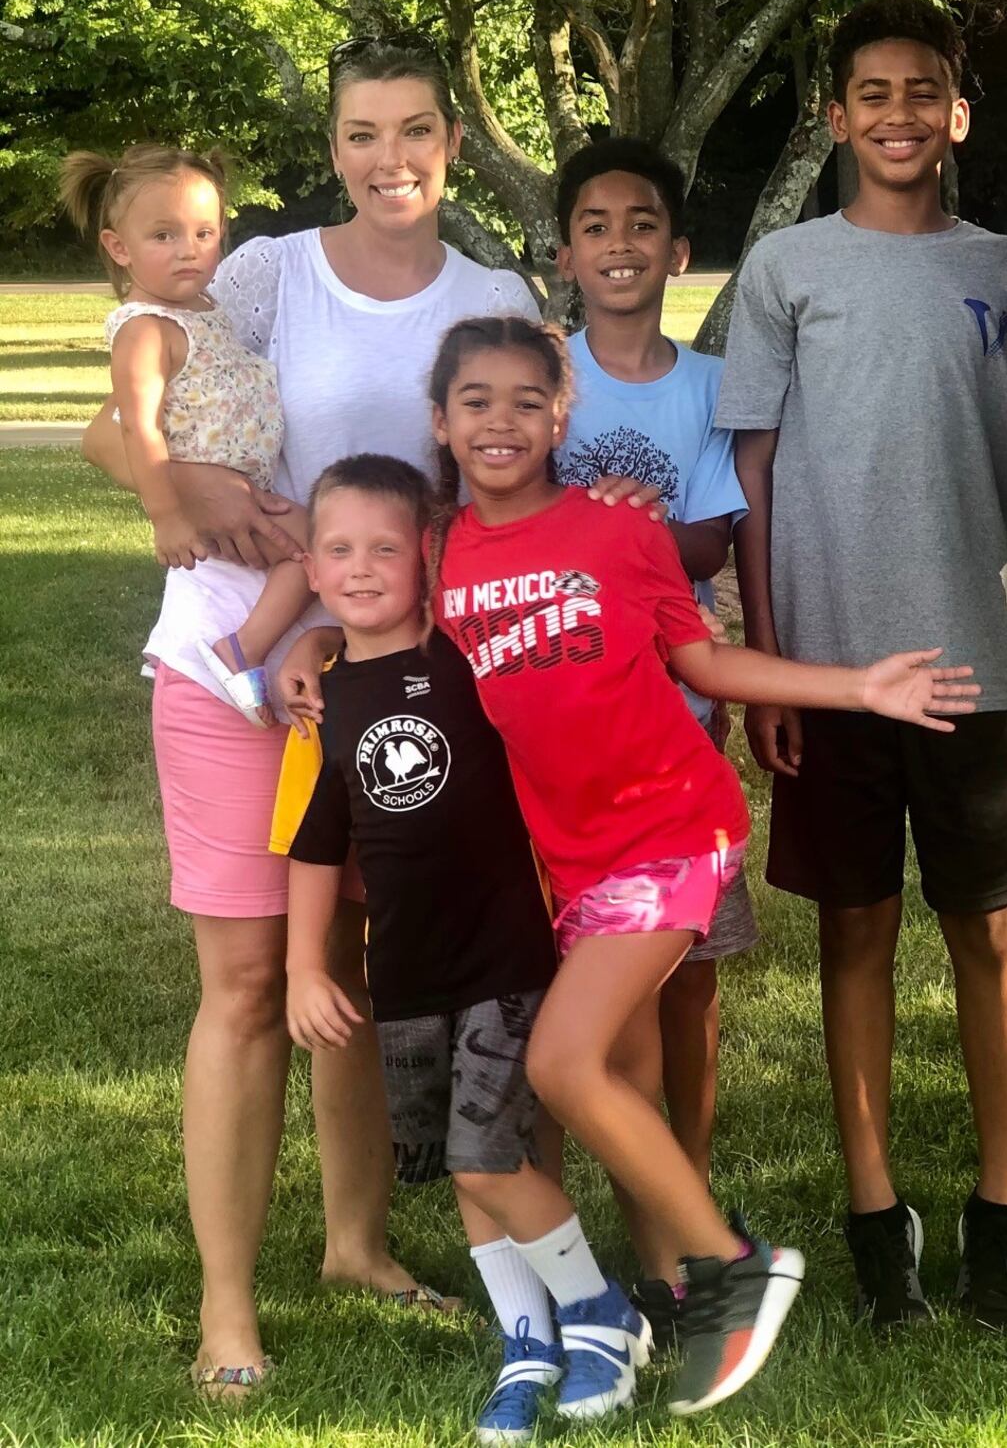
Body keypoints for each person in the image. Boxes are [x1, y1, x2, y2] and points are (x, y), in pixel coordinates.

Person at [78, 41, 542, 1394]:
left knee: (352, 964)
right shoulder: (268, 270)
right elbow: (126, 422)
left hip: (399, 683)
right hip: (237, 660)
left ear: (452, 140)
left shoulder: (492, 293)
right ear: (331, 144)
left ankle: (357, 1245)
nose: (387, 157)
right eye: (359, 132)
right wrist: (197, 498)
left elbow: (497, 487)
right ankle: (229, 1308)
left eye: (412, 130)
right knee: (244, 986)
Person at [419, 311, 979, 1414]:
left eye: (529, 402)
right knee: (620, 1079)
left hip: (672, 827)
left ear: (562, 417)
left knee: (561, 1068)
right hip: (570, 858)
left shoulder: (621, 531)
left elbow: (701, 659)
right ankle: (662, 1299)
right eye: (475, 402)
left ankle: (735, 1263)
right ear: (440, 422)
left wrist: (857, 686)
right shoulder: (447, 553)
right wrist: (313, 651)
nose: (502, 421)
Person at [717, 0, 1007, 1333]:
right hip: (832, 671)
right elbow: (751, 468)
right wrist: (771, 652)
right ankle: (876, 1220)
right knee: (852, 933)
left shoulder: (1006, 270)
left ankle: (999, 1216)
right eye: (875, 91)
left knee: (991, 935)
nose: (901, 111)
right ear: (836, 114)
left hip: (975, 666)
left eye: (926, 90)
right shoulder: (787, 271)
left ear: (958, 113)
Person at [285, 454, 644, 1438]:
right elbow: (318, 842)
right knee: (462, 1162)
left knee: (487, 1158)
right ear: (311, 568)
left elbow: (566, 645)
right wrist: (303, 965)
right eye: (339, 550)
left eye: (385, 549)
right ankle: (526, 1344)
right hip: (406, 977)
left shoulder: (467, 658)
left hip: (504, 959)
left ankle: (596, 1311)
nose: (361, 568)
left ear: (426, 558)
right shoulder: (324, 697)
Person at [552, 137, 757, 1342]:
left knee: (690, 988)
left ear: (677, 251)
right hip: (565, 741)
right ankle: (650, 1241)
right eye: (595, 223)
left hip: (676, 730)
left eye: (642, 224)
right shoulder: (545, 376)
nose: (619, 243)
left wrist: (629, 528)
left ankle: (691, 1192)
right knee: (601, 1006)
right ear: (567, 250)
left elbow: (715, 544)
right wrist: (593, 522)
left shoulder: (710, 387)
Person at [60, 145, 315, 725]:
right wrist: (168, 515)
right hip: (214, 499)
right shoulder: (146, 330)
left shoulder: (207, 308)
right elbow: (138, 428)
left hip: (248, 487)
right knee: (313, 549)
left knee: (314, 548)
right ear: (118, 247)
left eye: (204, 233)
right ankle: (239, 652)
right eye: (164, 236)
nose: (189, 251)